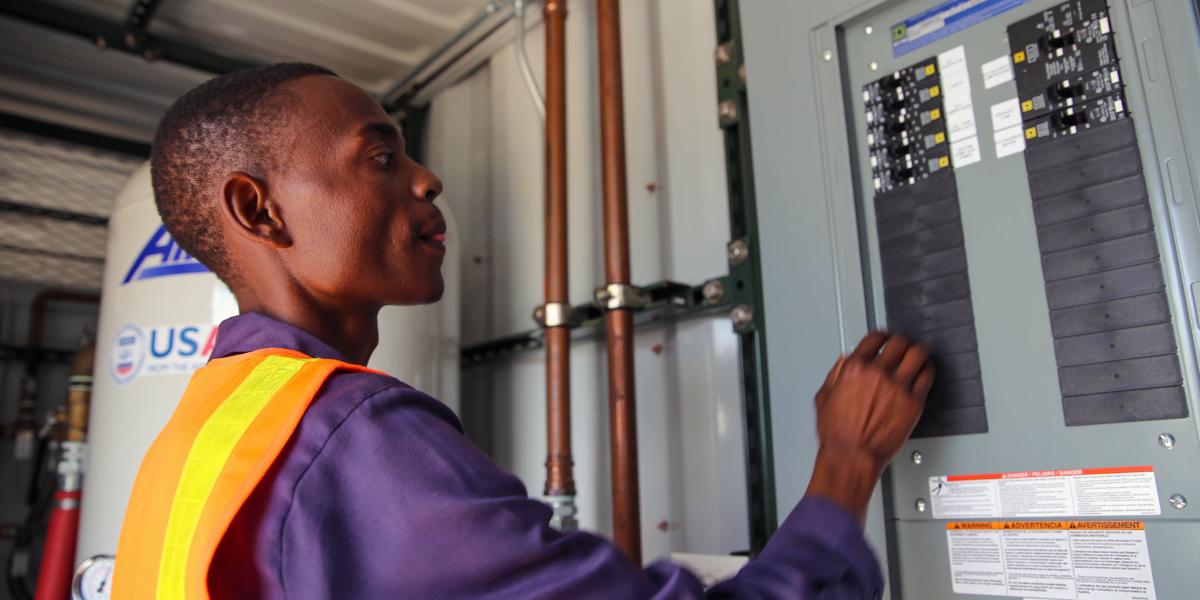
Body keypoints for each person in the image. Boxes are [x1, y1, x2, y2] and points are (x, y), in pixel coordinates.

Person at [112, 63, 934, 599]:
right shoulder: (349, 435)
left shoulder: (196, 440)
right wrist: (847, 465)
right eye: (380, 156)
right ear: (261, 210)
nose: (427, 177)